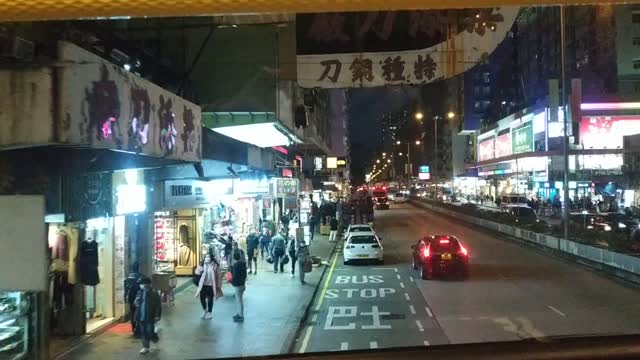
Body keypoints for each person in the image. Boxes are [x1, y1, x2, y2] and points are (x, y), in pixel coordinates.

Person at [134, 277, 161, 354]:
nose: (141, 285)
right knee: (143, 332)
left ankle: (155, 340)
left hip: (150, 316)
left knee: (150, 331)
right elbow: (136, 304)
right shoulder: (140, 292)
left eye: (142, 284)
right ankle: (145, 347)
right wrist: (137, 301)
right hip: (141, 316)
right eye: (141, 284)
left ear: (148, 285)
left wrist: (157, 315)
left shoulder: (154, 293)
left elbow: (158, 306)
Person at [194, 254, 218, 319]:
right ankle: (205, 310)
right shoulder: (202, 265)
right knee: (202, 299)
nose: (207, 258)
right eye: (206, 257)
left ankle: (210, 312)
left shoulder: (215, 266)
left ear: (211, 258)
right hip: (203, 285)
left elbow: (218, 276)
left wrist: (218, 285)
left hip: (211, 286)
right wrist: (199, 270)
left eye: (209, 257)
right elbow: (196, 272)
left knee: (210, 300)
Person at [124, 262, 144, 337]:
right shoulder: (141, 276)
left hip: (131, 297)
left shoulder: (128, 277)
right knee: (139, 313)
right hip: (139, 298)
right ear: (138, 268)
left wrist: (125, 297)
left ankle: (133, 328)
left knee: (132, 313)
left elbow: (126, 289)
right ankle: (138, 329)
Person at [230, 252, 247, 322]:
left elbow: (234, 276)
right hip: (242, 285)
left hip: (238, 285)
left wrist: (232, 282)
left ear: (234, 258)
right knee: (239, 300)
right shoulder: (243, 264)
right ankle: (239, 313)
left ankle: (241, 315)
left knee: (239, 301)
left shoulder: (235, 265)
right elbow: (245, 275)